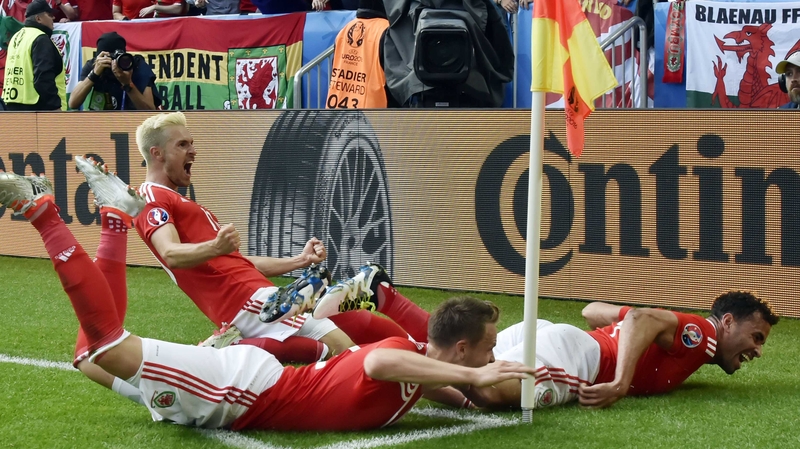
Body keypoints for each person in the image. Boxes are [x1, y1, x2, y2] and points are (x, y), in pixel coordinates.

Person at [0, 174, 536, 430]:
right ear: (460, 350)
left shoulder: (418, 371)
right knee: (109, 347)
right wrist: (475, 378)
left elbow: (424, 378)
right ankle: (45, 214)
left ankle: (114, 223)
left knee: (90, 357)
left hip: (247, 370)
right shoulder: (398, 352)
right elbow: (380, 364)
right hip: (245, 389)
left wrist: (471, 397)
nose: (493, 358)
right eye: (489, 350)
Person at [313, 263, 779, 410]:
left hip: (566, 339)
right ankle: (359, 347)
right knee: (489, 395)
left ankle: (379, 300)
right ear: (727, 322)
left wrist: (624, 331)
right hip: (579, 360)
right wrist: (620, 382)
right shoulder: (703, 335)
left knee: (450, 355)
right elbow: (640, 319)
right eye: (756, 337)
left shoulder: (689, 339)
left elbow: (593, 311)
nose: (757, 350)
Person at [131, 111, 357, 365]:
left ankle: (234, 347)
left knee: (338, 349)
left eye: (192, 143)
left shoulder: (176, 200)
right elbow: (170, 253)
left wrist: (300, 260)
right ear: (157, 153)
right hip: (246, 299)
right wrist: (216, 246)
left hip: (256, 296)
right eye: (182, 145)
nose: (193, 151)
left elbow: (237, 262)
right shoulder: (152, 197)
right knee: (345, 352)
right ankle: (230, 348)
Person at [326, 0, 393, 109]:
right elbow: (395, 76)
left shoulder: (345, 29)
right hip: (374, 111)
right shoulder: (387, 30)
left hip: (338, 109)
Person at [68, 32, 159, 111]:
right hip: (102, 120)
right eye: (107, 59)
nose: (112, 63)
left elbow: (149, 110)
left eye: (116, 58)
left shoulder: (134, 65)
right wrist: (94, 74)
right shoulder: (94, 65)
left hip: (132, 120)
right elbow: (73, 103)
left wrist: (127, 84)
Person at [1, 0, 65, 111]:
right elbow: (43, 77)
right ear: (38, 18)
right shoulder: (40, 38)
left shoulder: (16, 37)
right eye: (49, 15)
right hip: (38, 109)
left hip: (12, 106)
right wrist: (55, 106)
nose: (53, 18)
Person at [112, 0, 186, 20]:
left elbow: (178, 9)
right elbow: (115, 12)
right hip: (130, 28)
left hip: (151, 27)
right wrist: (123, 18)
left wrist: (155, 7)